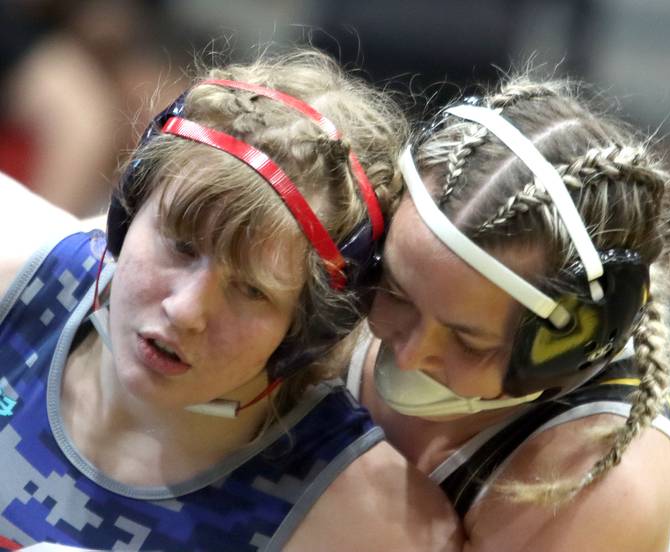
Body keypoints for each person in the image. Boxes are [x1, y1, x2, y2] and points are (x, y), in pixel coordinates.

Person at [0, 50, 461, 551]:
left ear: (307, 332)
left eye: (251, 291)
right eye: (180, 246)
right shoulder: (11, 279)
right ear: (127, 214)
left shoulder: (367, 522)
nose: (185, 311)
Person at [348, 76, 670, 551]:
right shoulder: (353, 266)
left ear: (568, 344)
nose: (408, 356)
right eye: (396, 293)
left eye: (468, 342)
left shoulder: (590, 486)